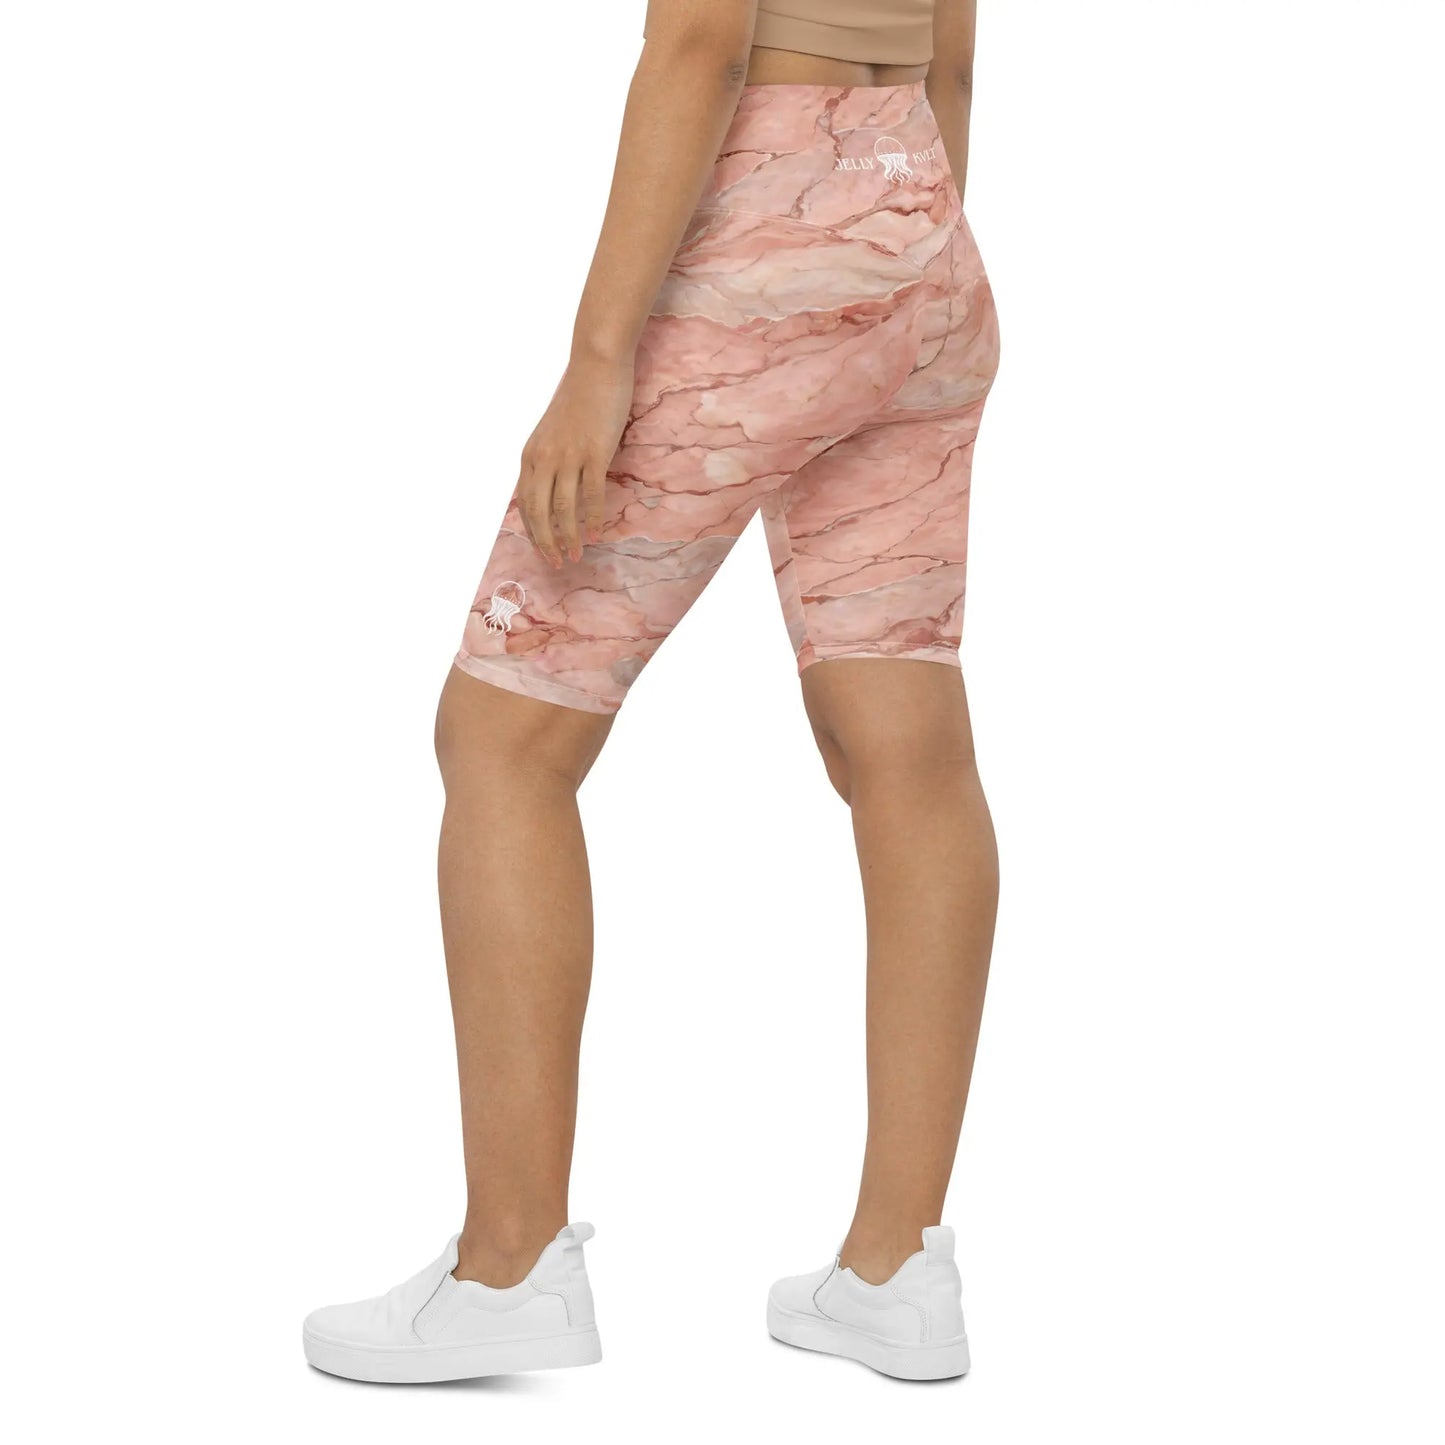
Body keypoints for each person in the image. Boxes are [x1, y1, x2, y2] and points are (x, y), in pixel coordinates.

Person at [302, 0, 999, 1384]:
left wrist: (599, 357)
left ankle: (507, 1265)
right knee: (904, 737)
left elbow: (700, 40)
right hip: (924, 233)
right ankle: (895, 1267)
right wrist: (882, 261)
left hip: (759, 233)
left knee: (504, 734)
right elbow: (957, 51)